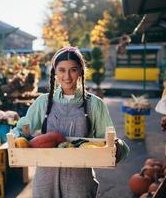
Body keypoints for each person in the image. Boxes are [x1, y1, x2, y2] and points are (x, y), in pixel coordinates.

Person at [11, 46, 129, 198]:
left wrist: (115, 147)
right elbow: (23, 128)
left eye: (73, 69)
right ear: (54, 72)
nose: (67, 76)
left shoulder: (95, 104)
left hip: (79, 182)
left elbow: (106, 140)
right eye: (61, 70)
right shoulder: (42, 102)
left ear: (81, 71)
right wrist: (15, 135)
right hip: (45, 180)